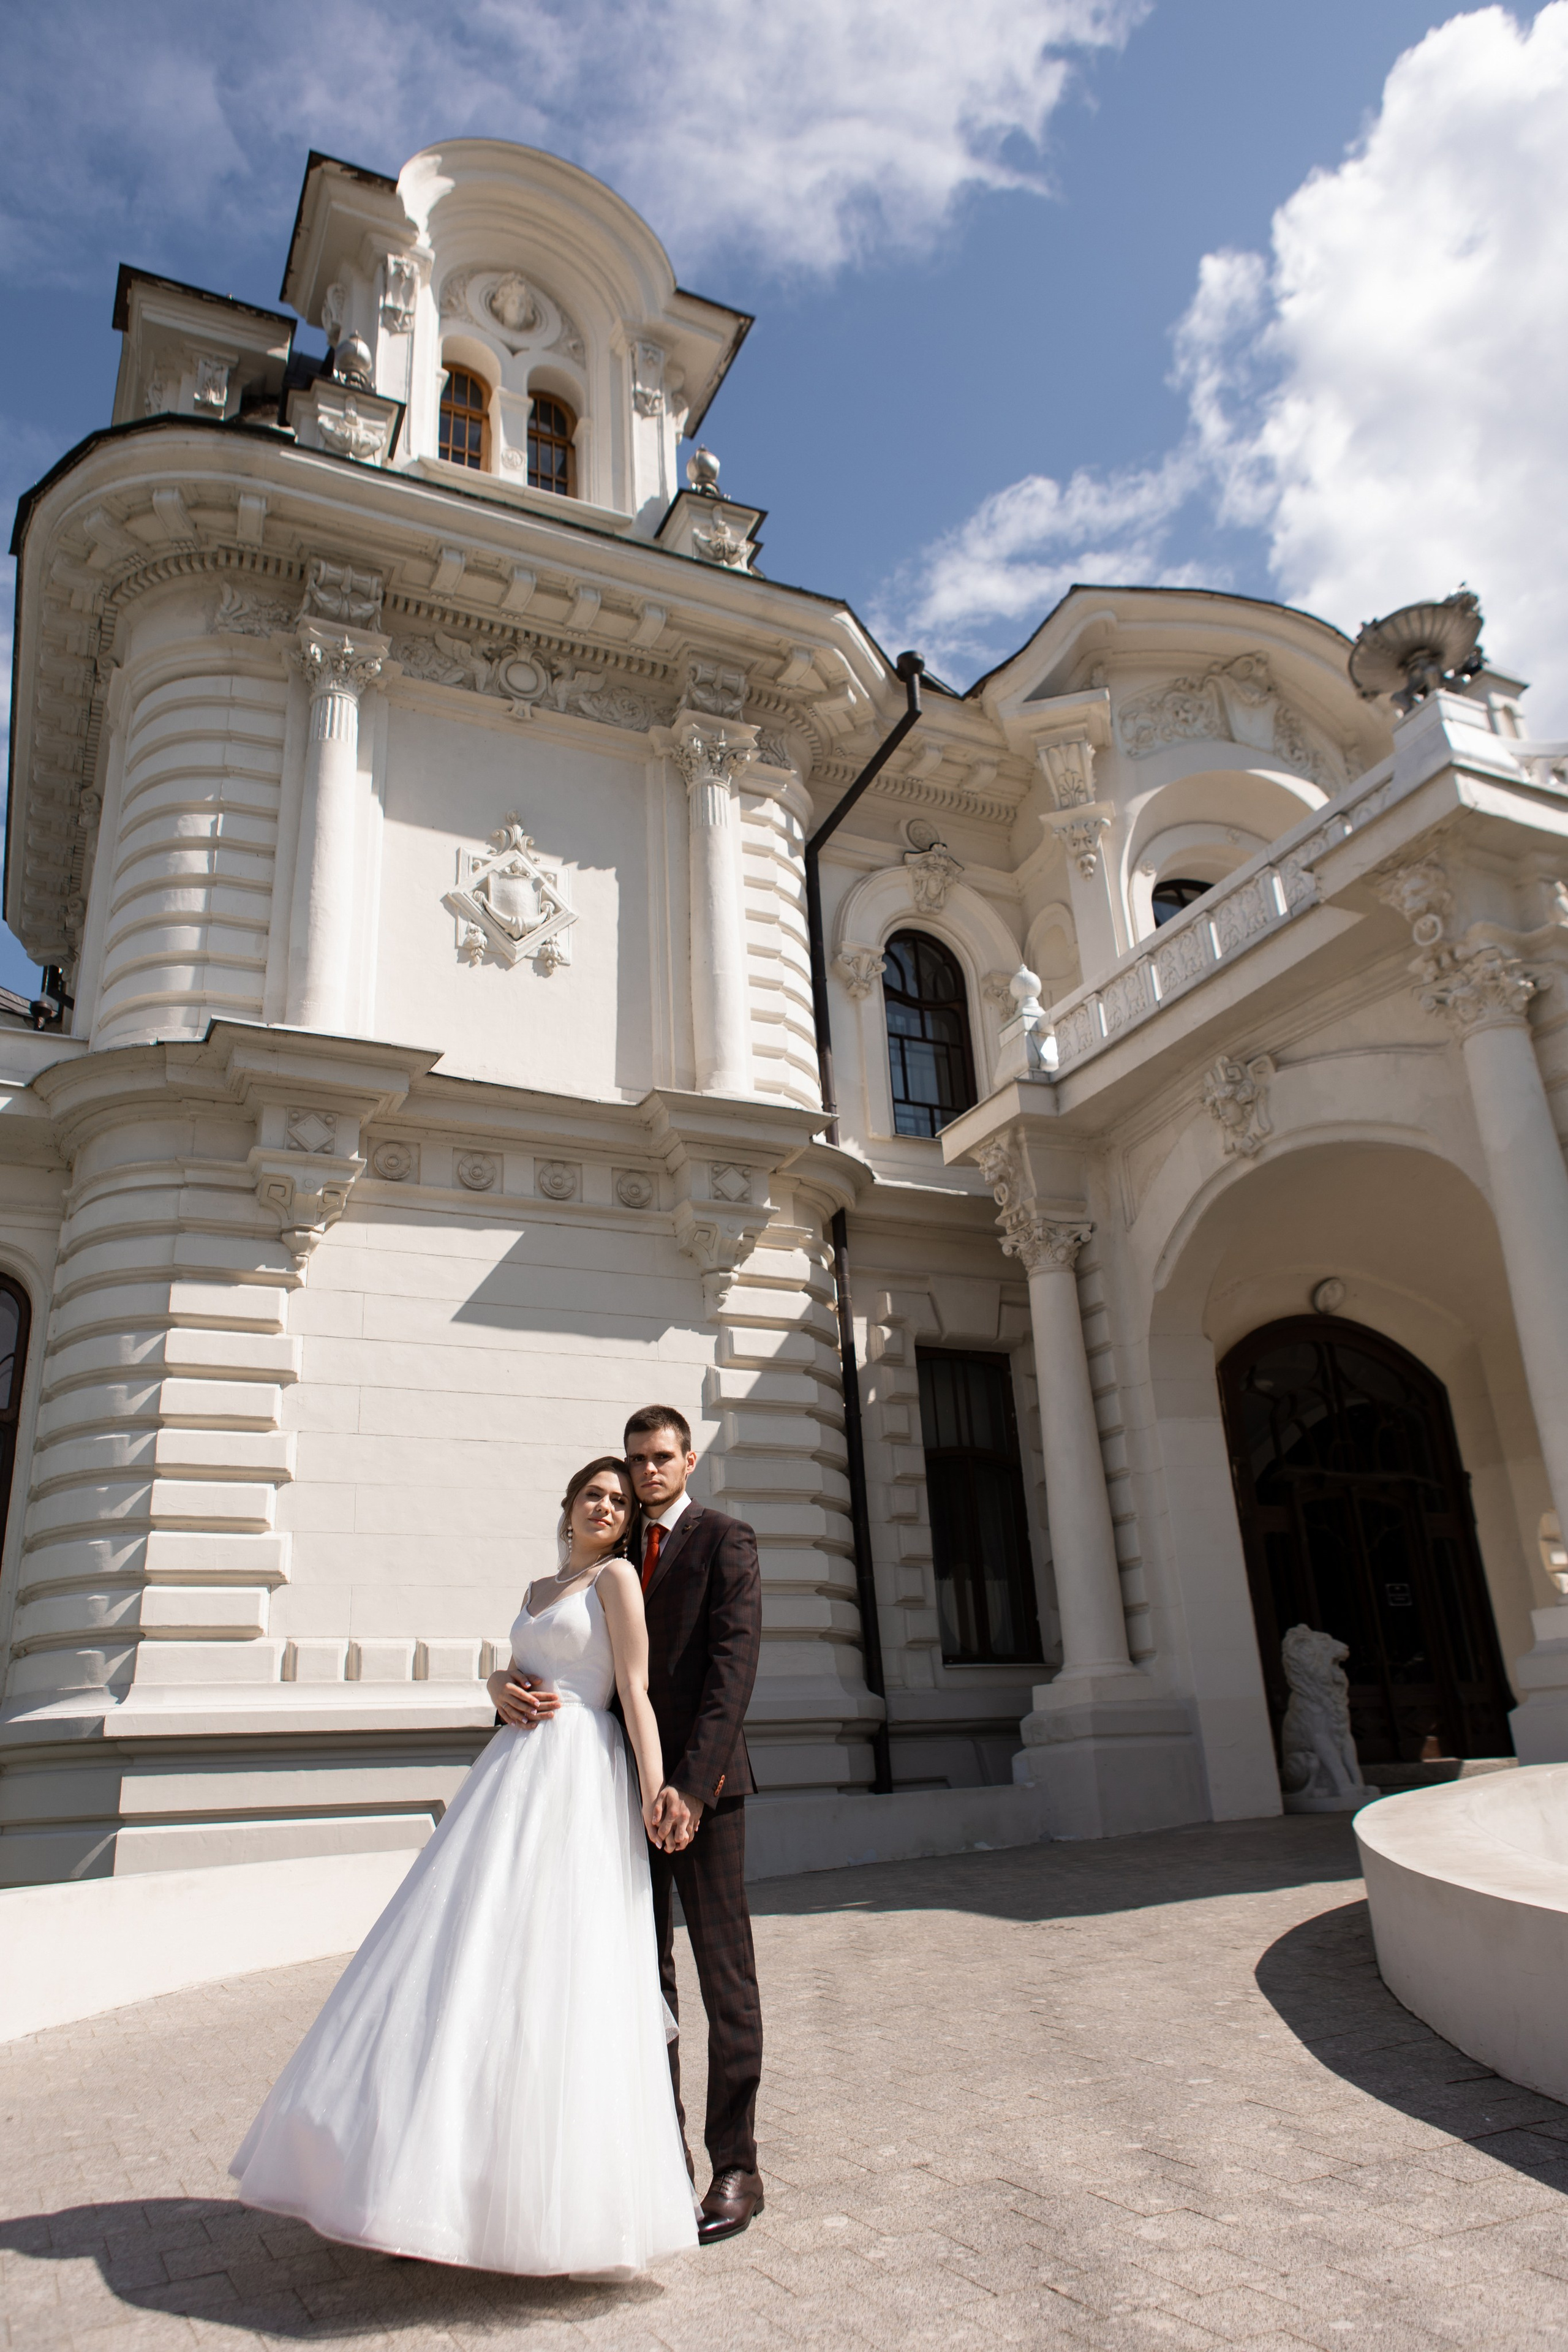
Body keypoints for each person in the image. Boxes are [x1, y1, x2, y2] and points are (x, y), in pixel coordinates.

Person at [229, 1457, 698, 2278]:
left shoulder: (620, 1579)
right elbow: (523, 1669)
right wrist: (495, 1681)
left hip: (578, 1783)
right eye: (594, 1494)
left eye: (620, 1502)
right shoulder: (537, 1587)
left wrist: (657, 1789)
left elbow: (634, 1689)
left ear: (628, 1523)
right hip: (510, 1777)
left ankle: (535, 2208)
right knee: (462, 1967)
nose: (606, 1507)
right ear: (568, 1505)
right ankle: (421, 2193)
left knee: (552, 1978)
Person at [494, 1405, 765, 2244]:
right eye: (636, 1460)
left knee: (725, 1984)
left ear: (689, 1460)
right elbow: (577, 1668)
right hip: (611, 1796)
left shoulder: (725, 1539)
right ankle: (660, 2158)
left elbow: (732, 1668)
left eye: (661, 1458)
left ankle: (737, 2166)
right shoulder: (608, 1561)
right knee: (642, 1985)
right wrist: (499, 1688)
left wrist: (688, 1786)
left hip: (702, 1794)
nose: (648, 1473)